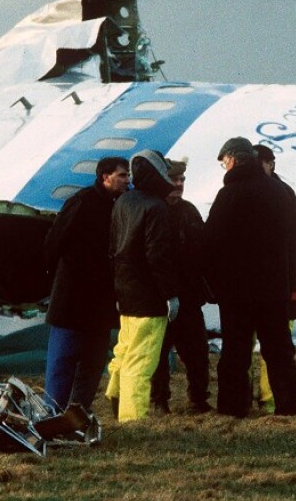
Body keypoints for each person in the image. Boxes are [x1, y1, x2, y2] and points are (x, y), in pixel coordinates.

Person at [205, 137, 296, 417]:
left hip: (237, 291)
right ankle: (288, 405)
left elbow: (212, 239)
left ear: (233, 160)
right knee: (279, 349)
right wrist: (288, 282)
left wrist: (212, 280)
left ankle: (233, 407)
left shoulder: (230, 194)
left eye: (224, 162)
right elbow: (294, 240)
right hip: (275, 288)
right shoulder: (282, 192)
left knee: (236, 351)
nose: (225, 168)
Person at [42, 156, 129, 418]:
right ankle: (52, 415)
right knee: (63, 359)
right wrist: (62, 277)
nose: (127, 180)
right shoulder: (82, 202)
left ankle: (77, 415)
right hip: (73, 296)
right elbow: (54, 242)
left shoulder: (119, 205)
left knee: (93, 362)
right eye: (122, 175)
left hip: (100, 300)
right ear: (105, 177)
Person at [104, 150, 180, 422]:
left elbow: (113, 249)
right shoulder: (157, 207)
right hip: (149, 298)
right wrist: (170, 294)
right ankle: (132, 418)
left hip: (126, 293)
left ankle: (115, 395)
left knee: (124, 350)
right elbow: (157, 256)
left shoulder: (123, 201)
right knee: (142, 358)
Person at [149, 158, 213, 414]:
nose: (179, 184)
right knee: (158, 353)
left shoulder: (189, 211)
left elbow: (203, 247)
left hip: (188, 295)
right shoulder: (153, 209)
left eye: (182, 179)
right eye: (174, 179)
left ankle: (198, 398)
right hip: (159, 296)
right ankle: (159, 400)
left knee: (197, 351)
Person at [253, 144, 296, 414]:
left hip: (278, 284)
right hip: (278, 282)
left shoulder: (282, 195)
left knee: (276, 345)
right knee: (274, 345)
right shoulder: (283, 194)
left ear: (270, 164)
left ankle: (271, 398)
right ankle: (270, 397)